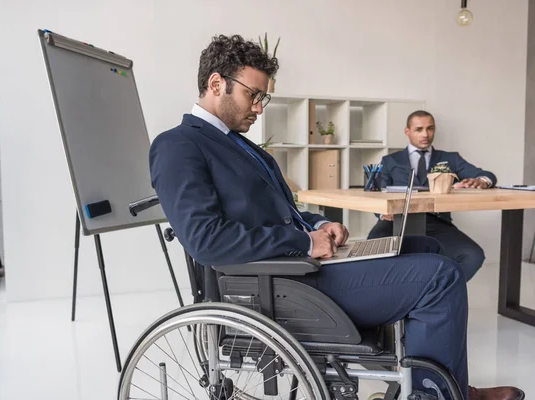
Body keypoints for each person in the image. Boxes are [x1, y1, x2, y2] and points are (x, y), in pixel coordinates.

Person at [149, 34, 523, 400]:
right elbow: (206, 240)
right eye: (254, 94)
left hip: (298, 267)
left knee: (427, 246)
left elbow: (285, 212)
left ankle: (445, 388)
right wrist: (304, 242)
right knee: (440, 276)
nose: (259, 107)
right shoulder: (178, 145)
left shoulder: (242, 146)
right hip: (281, 283)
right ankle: (439, 394)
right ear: (217, 84)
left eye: (263, 97)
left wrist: (316, 225)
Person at [368, 111, 495, 281]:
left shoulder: (450, 158)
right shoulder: (390, 160)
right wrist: (382, 212)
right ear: (407, 131)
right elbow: (377, 193)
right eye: (419, 129)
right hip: (396, 220)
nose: (425, 134)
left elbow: (486, 175)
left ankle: (437, 293)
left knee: (473, 255)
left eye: (430, 129)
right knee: (372, 252)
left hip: (435, 221)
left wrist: (482, 181)